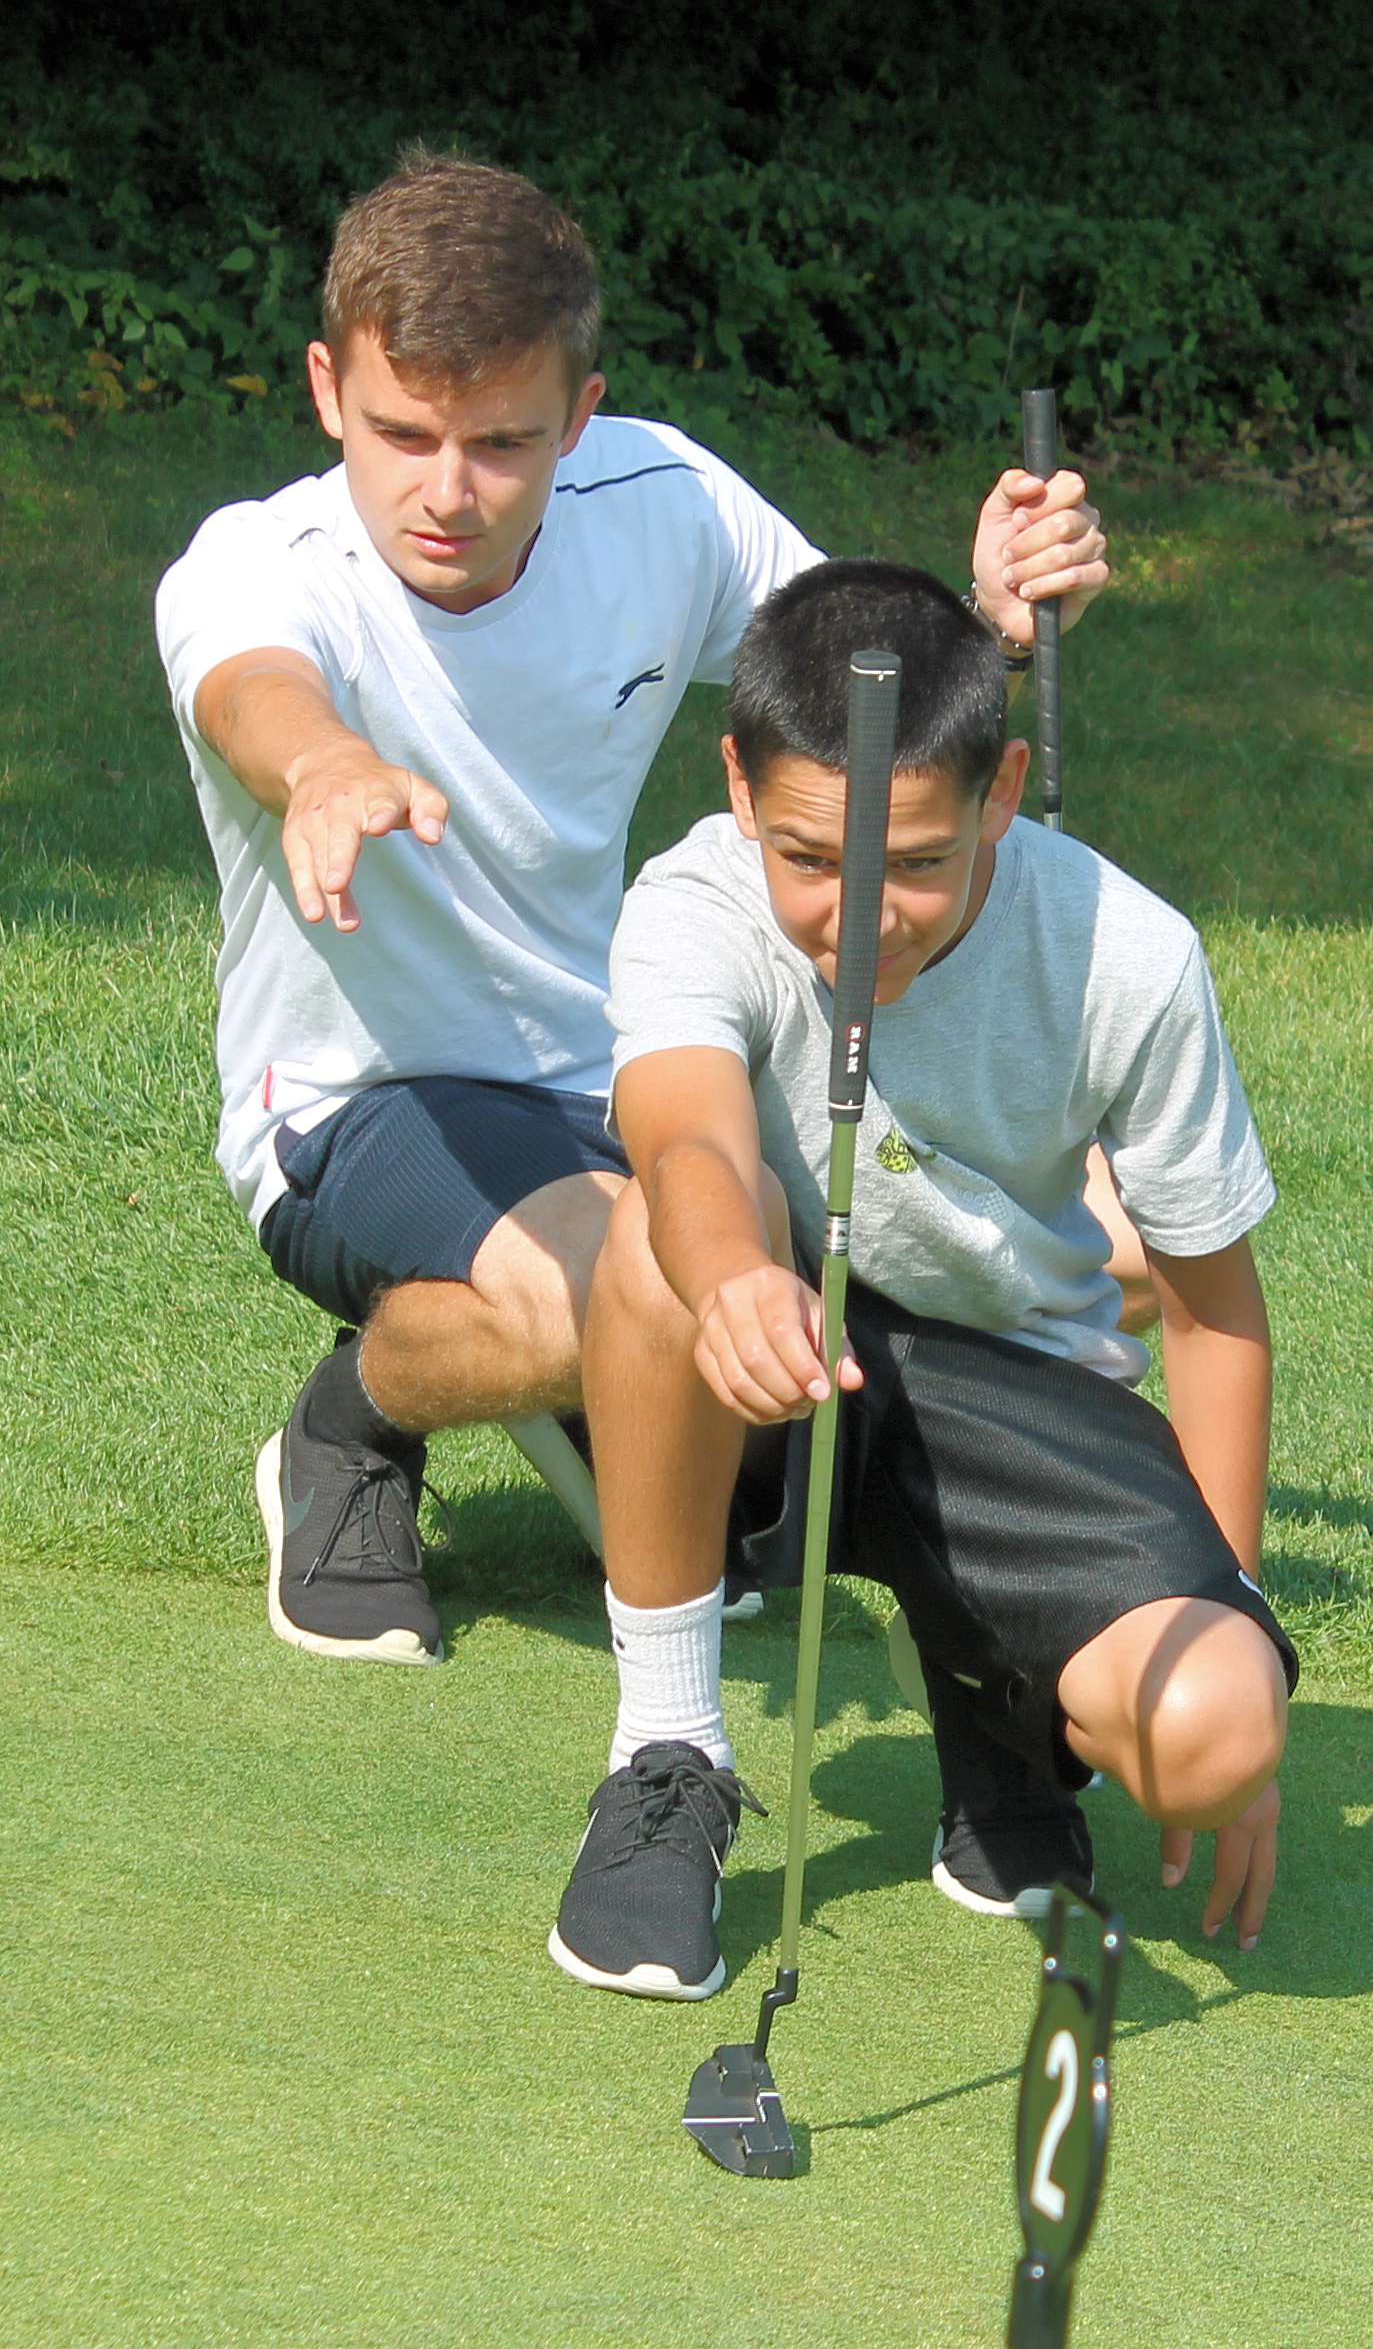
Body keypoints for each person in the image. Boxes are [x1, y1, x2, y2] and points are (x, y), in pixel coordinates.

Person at [156, 151, 1109, 1667]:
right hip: (356, 1098)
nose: (448, 492)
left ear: (577, 418)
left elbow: (852, 675)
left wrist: (978, 621)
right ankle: (351, 1422)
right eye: (402, 434)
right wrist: (328, 766)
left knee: (1012, 1248)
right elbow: (250, 689)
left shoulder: (659, 499)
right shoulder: (258, 565)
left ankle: (634, 1397)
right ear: (327, 390)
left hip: (624, 1054)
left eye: (502, 441)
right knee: (642, 1296)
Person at [548, 557, 1295, 2004]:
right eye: (811, 859)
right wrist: (732, 1284)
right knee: (661, 1243)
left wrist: (1237, 1607)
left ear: (1003, 791)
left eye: (917, 863)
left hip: (1018, 1396)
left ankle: (990, 1713)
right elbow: (687, 1139)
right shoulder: (693, 901)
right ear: (736, 780)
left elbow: (1211, 1314)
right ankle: (668, 1747)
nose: (859, 914)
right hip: (765, 1365)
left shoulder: (1132, 954)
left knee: (1212, 1728)